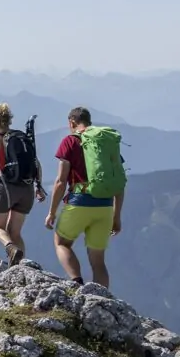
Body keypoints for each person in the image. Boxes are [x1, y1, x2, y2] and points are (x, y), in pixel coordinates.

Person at [44, 107, 125, 288]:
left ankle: (76, 283)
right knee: (98, 261)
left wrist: (51, 212)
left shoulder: (70, 141)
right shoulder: (105, 144)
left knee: (62, 243)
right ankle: (101, 299)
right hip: (105, 206)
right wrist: (116, 216)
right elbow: (118, 181)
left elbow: (60, 181)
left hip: (79, 202)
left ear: (71, 123)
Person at [0, 103, 45, 264]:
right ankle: (20, 267)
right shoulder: (22, 137)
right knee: (15, 232)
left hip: (5, 189)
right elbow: (36, 163)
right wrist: (39, 187)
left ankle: (10, 248)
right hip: (26, 190)